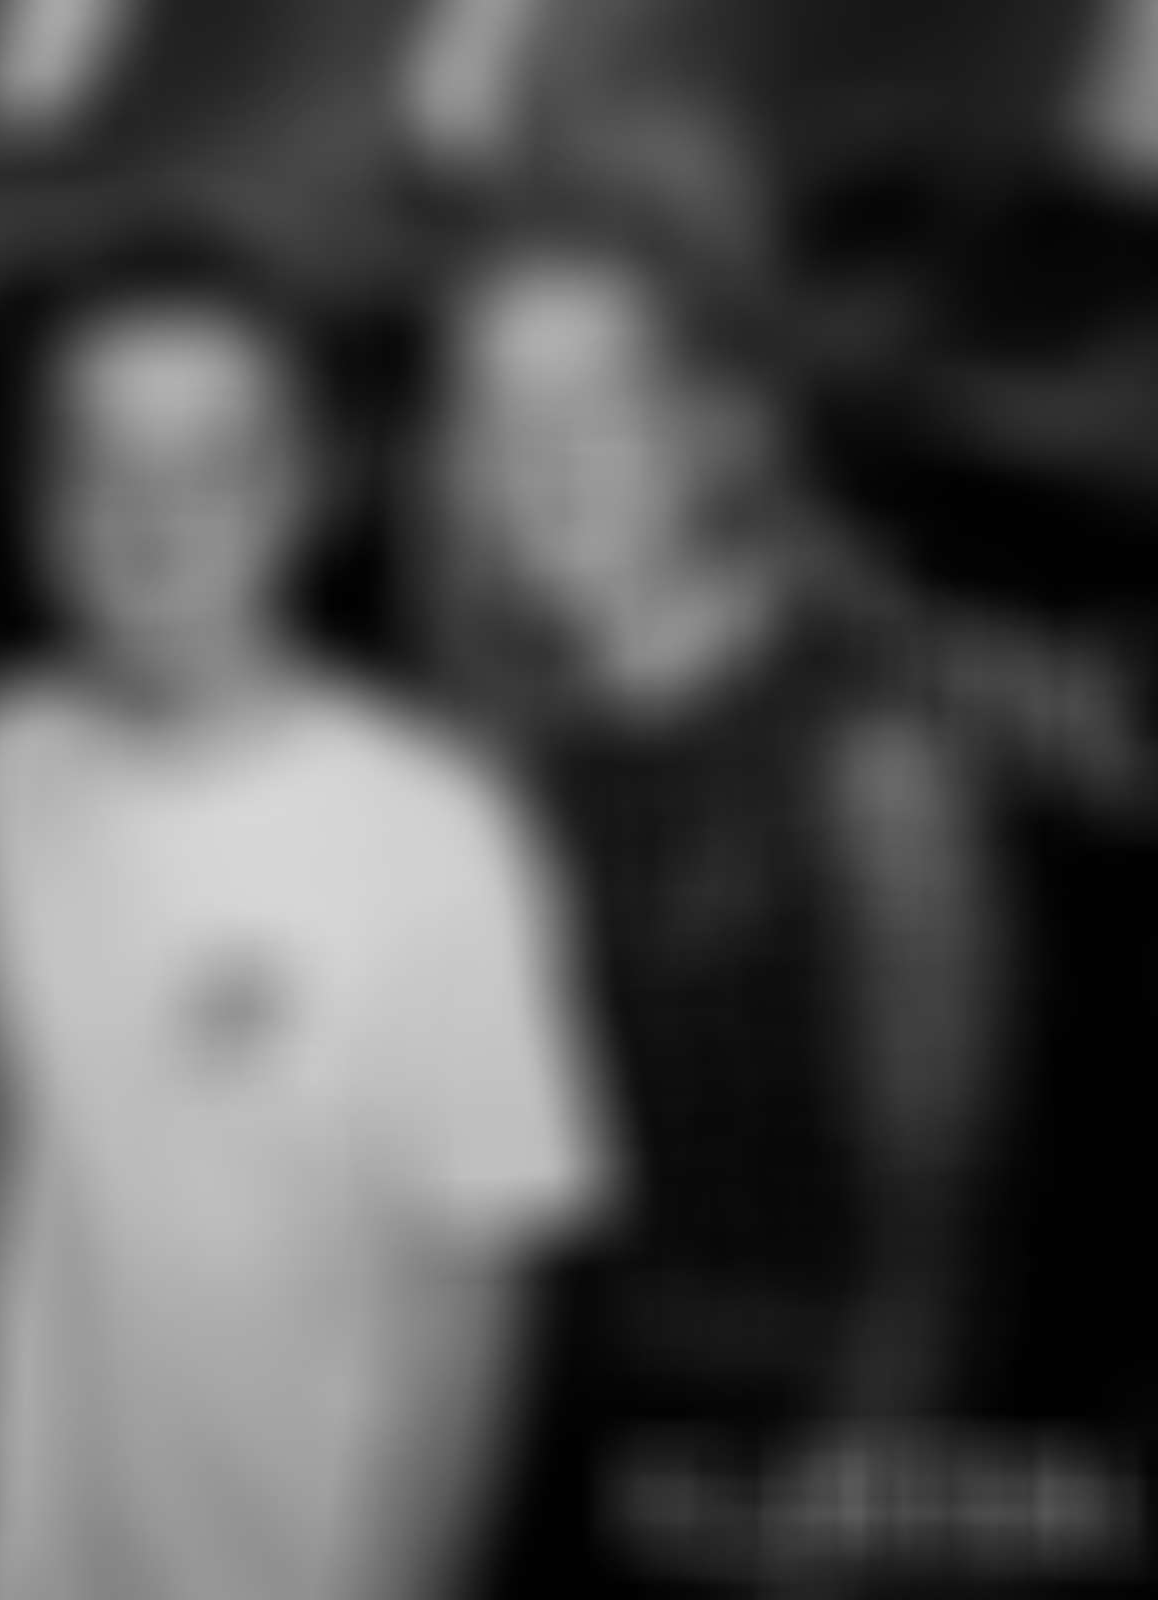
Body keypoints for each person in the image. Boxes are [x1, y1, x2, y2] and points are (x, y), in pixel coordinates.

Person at [0, 241, 619, 1600]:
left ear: (308, 490)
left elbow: (474, 1307)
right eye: (98, 461)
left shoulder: (433, 834)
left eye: (214, 465)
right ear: (36, 498)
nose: (151, 515)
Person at [420, 206, 1016, 1596]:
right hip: (534, 1447)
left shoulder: (869, 758)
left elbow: (940, 1225)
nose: (540, 454)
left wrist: (843, 1502)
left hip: (776, 1450)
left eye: (594, 398)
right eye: (494, 408)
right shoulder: (496, 755)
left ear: (705, 427)